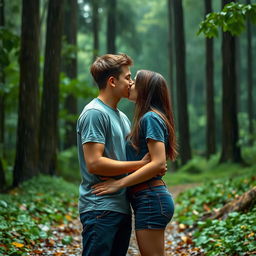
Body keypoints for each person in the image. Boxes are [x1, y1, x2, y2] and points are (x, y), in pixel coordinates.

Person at [77, 54, 157, 256]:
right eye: (128, 77)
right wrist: (141, 165)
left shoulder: (121, 117)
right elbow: (94, 163)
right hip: (100, 207)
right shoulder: (94, 113)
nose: (131, 82)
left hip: (120, 206)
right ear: (112, 81)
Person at [92, 70, 178, 256]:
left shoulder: (151, 118)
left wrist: (119, 183)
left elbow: (158, 163)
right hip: (148, 199)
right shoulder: (149, 117)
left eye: (135, 81)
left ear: (146, 89)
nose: (130, 84)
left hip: (150, 198)